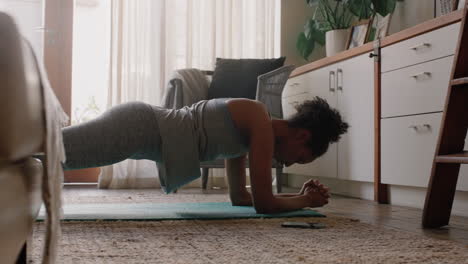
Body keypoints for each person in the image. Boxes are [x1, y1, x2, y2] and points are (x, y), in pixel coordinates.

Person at [62, 96, 348, 214]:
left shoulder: (250, 133)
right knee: (53, 151)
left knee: (52, 153)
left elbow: (242, 198)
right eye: (299, 158)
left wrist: (297, 197)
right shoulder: (258, 121)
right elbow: (264, 204)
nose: (287, 163)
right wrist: (306, 200)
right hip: (137, 126)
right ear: (303, 136)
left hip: (138, 131)